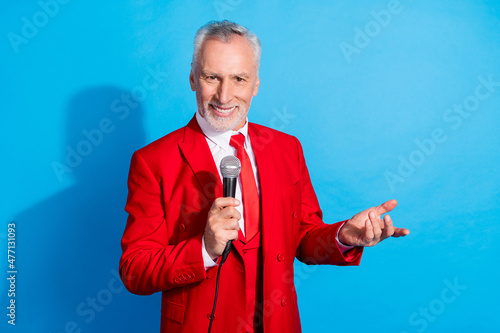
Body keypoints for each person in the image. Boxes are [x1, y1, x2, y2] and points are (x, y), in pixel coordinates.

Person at [119, 20, 410, 333]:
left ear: (256, 84)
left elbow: (303, 238)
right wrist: (204, 248)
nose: (224, 95)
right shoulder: (153, 162)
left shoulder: (287, 149)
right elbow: (134, 270)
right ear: (192, 77)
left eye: (239, 79)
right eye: (212, 77)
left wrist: (343, 236)